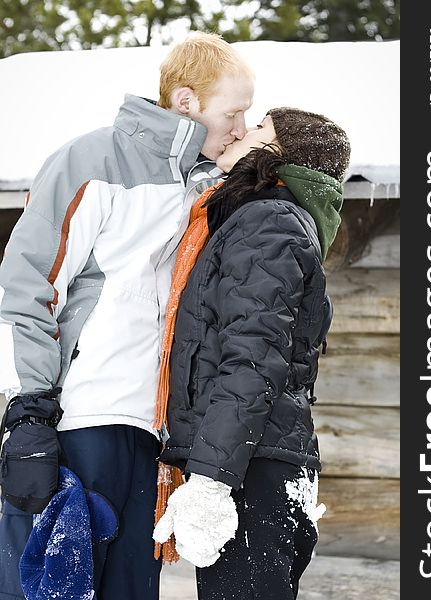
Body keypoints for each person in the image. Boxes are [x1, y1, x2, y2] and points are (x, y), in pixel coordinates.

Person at [0, 31, 254, 600]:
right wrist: (29, 412)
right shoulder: (92, 161)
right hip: (80, 420)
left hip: (151, 434)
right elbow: (27, 285)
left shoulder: (205, 190)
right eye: (233, 113)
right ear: (187, 102)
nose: (241, 127)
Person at [153, 108, 351, 599]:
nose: (241, 133)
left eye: (260, 127)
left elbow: (253, 359)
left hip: (250, 470)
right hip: (258, 461)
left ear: (282, 154)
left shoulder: (269, 221)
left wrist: (212, 479)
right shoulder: (266, 218)